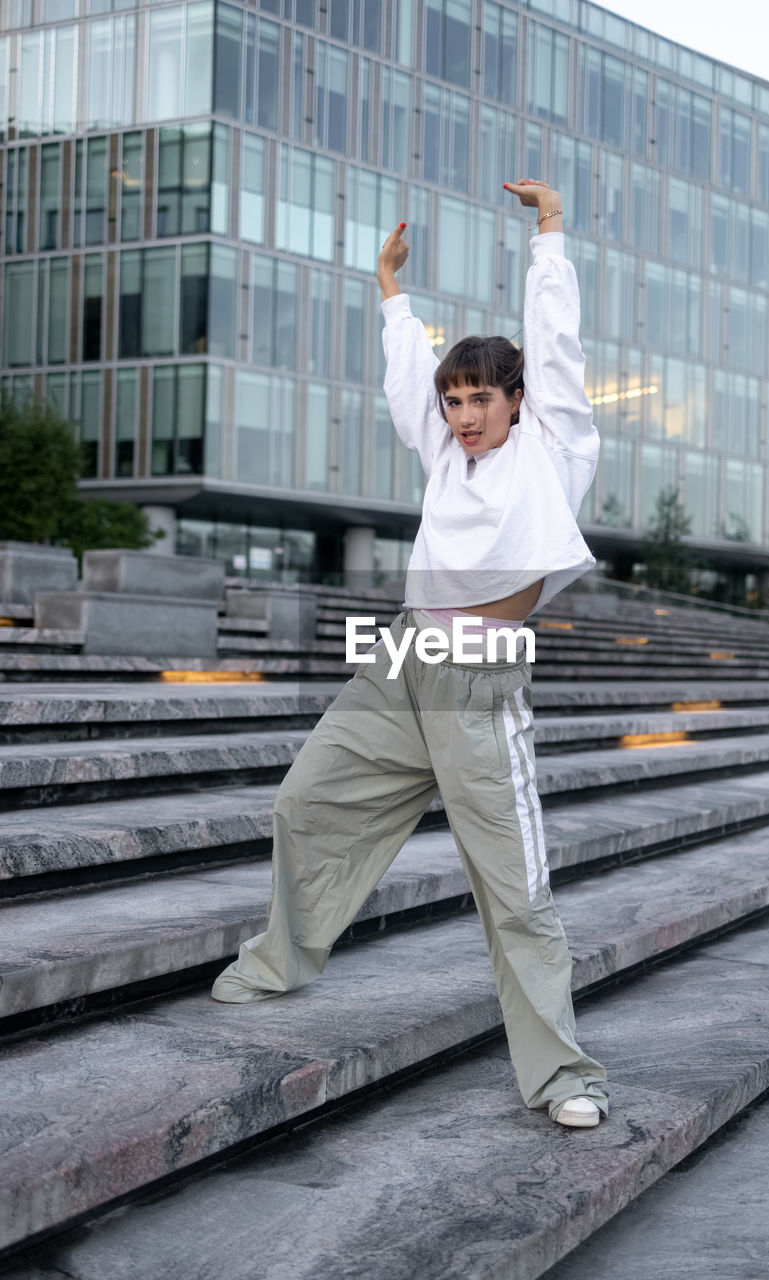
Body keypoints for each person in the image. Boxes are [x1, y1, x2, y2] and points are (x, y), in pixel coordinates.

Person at [212, 178, 610, 1129]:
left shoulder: (552, 452)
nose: (465, 414)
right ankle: (280, 960)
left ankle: (562, 1077)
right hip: (397, 659)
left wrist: (549, 234)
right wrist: (390, 290)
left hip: (480, 684)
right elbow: (406, 375)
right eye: (455, 399)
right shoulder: (442, 454)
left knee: (516, 893)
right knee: (304, 801)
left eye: (481, 399)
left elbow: (556, 346)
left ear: (518, 403)